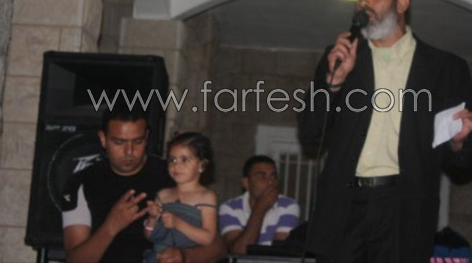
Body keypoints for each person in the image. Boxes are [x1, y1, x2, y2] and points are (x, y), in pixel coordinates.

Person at [298, 0, 472, 262]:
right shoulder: (341, 58)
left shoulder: (444, 68)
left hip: (403, 208)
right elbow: (310, 131)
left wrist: (458, 141)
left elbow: (465, 160)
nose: (364, 2)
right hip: (345, 206)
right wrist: (334, 84)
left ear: (402, 2)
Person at [61, 105, 225, 263]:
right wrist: (111, 227)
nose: (129, 151)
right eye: (119, 142)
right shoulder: (83, 182)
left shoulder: (173, 175)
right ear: (103, 139)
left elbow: (218, 248)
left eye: (137, 142)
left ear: (146, 138)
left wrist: (185, 257)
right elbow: (75, 259)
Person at [143, 132, 217, 262]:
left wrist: (177, 223)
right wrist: (152, 218)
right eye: (172, 160)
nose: (176, 165)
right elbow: (149, 236)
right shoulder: (163, 195)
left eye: (184, 160)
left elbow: (208, 238)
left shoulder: (206, 197)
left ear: (202, 165)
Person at [218, 155, 300, 254]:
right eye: (262, 176)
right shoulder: (230, 208)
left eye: (273, 176)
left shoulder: (288, 206)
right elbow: (239, 252)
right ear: (246, 183)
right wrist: (259, 209)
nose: (270, 182)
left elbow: (280, 254)